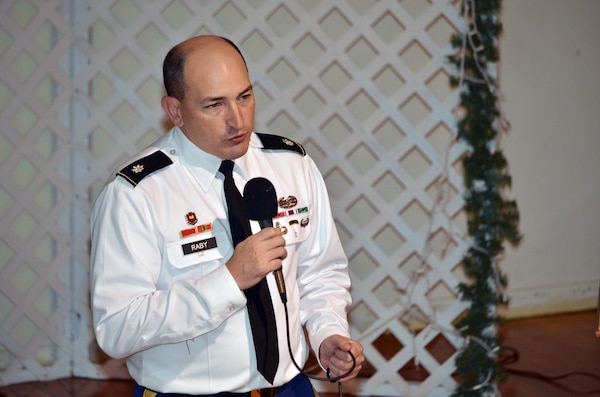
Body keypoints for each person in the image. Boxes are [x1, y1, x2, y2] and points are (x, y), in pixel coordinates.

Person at [90, 35, 364, 396]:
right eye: (214, 105)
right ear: (175, 111)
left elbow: (320, 272)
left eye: (244, 97)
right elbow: (117, 328)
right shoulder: (137, 193)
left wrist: (327, 332)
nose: (237, 120)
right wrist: (229, 281)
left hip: (290, 388)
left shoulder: (292, 165)